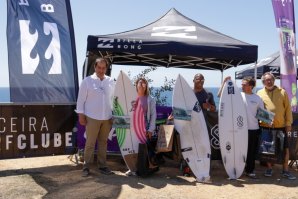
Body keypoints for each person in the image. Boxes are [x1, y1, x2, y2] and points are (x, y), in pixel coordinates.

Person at [218, 76, 264, 178]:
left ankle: (250, 170)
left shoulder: (257, 98)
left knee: (251, 151)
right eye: (242, 84)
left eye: (244, 84)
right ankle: (238, 169)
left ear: (251, 86)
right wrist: (224, 84)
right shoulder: (237, 96)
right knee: (238, 150)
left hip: (253, 128)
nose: (242, 86)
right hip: (239, 130)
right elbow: (221, 96)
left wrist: (268, 120)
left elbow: (261, 114)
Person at [76, 58, 115, 177]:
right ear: (95, 67)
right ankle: (86, 167)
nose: (101, 70)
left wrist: (114, 114)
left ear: (106, 68)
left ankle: (102, 166)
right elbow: (80, 100)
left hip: (107, 117)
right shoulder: (87, 81)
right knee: (90, 143)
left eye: (104, 68)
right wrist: (81, 115)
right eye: (99, 68)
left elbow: (114, 99)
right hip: (92, 117)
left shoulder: (111, 81)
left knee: (103, 143)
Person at [257, 72, 296, 180]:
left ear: (274, 80)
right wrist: (263, 120)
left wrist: (288, 124)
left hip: (281, 127)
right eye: (266, 80)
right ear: (263, 82)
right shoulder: (259, 93)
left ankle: (286, 171)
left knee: (285, 150)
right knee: (268, 150)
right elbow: (258, 111)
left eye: (271, 79)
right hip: (266, 126)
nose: (269, 81)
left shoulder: (282, 92)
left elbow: (288, 109)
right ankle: (269, 169)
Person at [181, 73, 217, 177]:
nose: (200, 81)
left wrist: (209, 106)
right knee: (188, 147)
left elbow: (214, 108)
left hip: (203, 126)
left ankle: (204, 169)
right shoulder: (188, 93)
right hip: (189, 126)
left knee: (203, 148)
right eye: (198, 79)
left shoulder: (208, 94)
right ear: (193, 80)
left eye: (202, 80)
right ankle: (187, 169)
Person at [125, 77, 157, 176]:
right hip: (132, 126)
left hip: (144, 126)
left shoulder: (150, 99)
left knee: (142, 148)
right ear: (136, 85)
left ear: (146, 86)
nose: (142, 85)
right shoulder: (132, 97)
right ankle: (132, 168)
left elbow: (153, 115)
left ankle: (143, 169)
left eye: (144, 84)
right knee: (132, 147)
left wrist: (151, 129)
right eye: (140, 83)